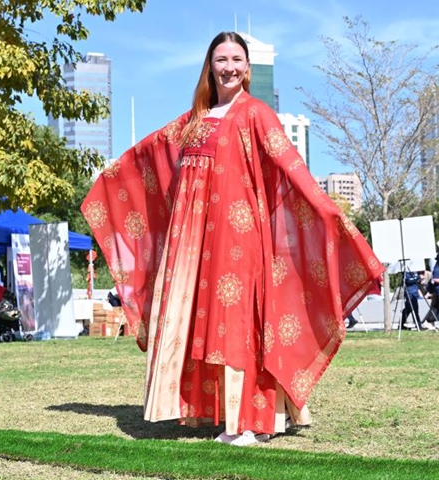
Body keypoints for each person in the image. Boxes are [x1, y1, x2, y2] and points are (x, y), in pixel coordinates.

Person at [81, 32, 384, 446]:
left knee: (238, 323)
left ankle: (252, 421)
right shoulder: (193, 120)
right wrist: (109, 179)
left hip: (240, 237)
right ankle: (218, 413)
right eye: (221, 59)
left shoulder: (256, 113)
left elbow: (291, 166)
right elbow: (148, 156)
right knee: (204, 323)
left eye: (237, 59)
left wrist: (330, 212)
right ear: (210, 66)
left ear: (248, 68)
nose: (229, 67)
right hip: (192, 244)